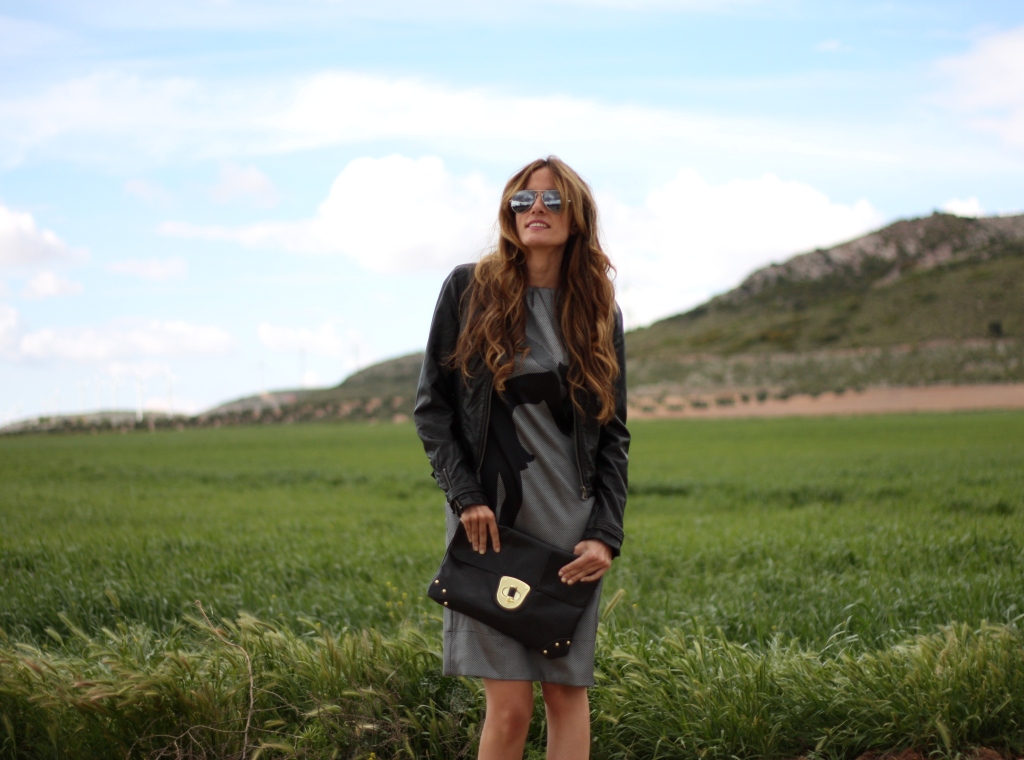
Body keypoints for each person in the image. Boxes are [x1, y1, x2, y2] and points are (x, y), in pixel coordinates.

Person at [414, 156, 629, 760]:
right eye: (523, 199)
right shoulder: (468, 289)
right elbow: (433, 409)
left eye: (553, 200)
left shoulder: (597, 310)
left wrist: (605, 534)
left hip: (570, 530)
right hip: (490, 523)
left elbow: (613, 434)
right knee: (509, 708)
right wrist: (466, 497)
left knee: (565, 694)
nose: (537, 209)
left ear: (576, 217)